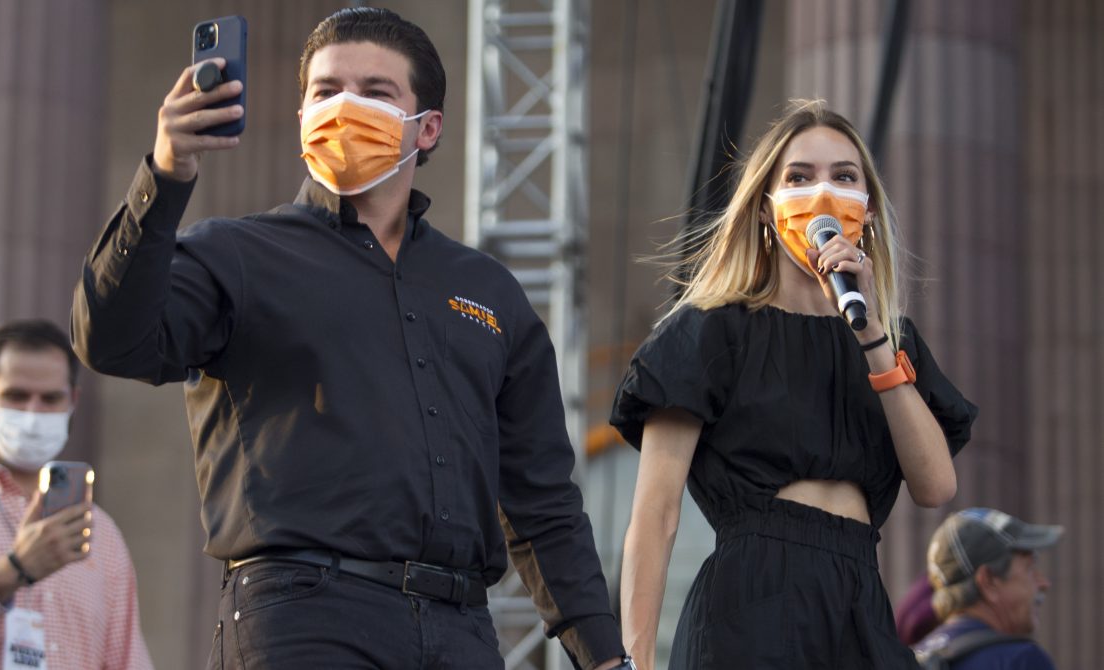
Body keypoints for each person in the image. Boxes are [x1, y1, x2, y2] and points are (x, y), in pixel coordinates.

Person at [71, 7, 629, 670]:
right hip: (303, 616)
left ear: (428, 129)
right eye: (325, 90)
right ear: (303, 114)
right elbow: (111, 339)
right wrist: (165, 174)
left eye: (375, 92)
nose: (344, 107)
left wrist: (603, 656)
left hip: (462, 629)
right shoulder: (237, 255)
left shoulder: (489, 291)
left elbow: (543, 501)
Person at [610, 99, 978, 669]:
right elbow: (654, 517)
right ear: (765, 207)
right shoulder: (713, 329)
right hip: (751, 599)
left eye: (844, 176)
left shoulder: (889, 339)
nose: (823, 193)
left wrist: (874, 335)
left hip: (858, 600)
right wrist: (634, 660)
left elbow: (935, 485)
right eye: (799, 177)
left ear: (869, 209)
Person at [0, 319, 152, 669]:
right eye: (16, 395)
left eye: (50, 398)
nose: (33, 413)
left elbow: (126, 659)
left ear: (72, 401)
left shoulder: (101, 534)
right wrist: (10, 572)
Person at [912, 508, 1061, 669]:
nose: (1043, 583)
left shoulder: (911, 660)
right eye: (1030, 569)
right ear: (989, 581)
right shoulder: (1020, 660)